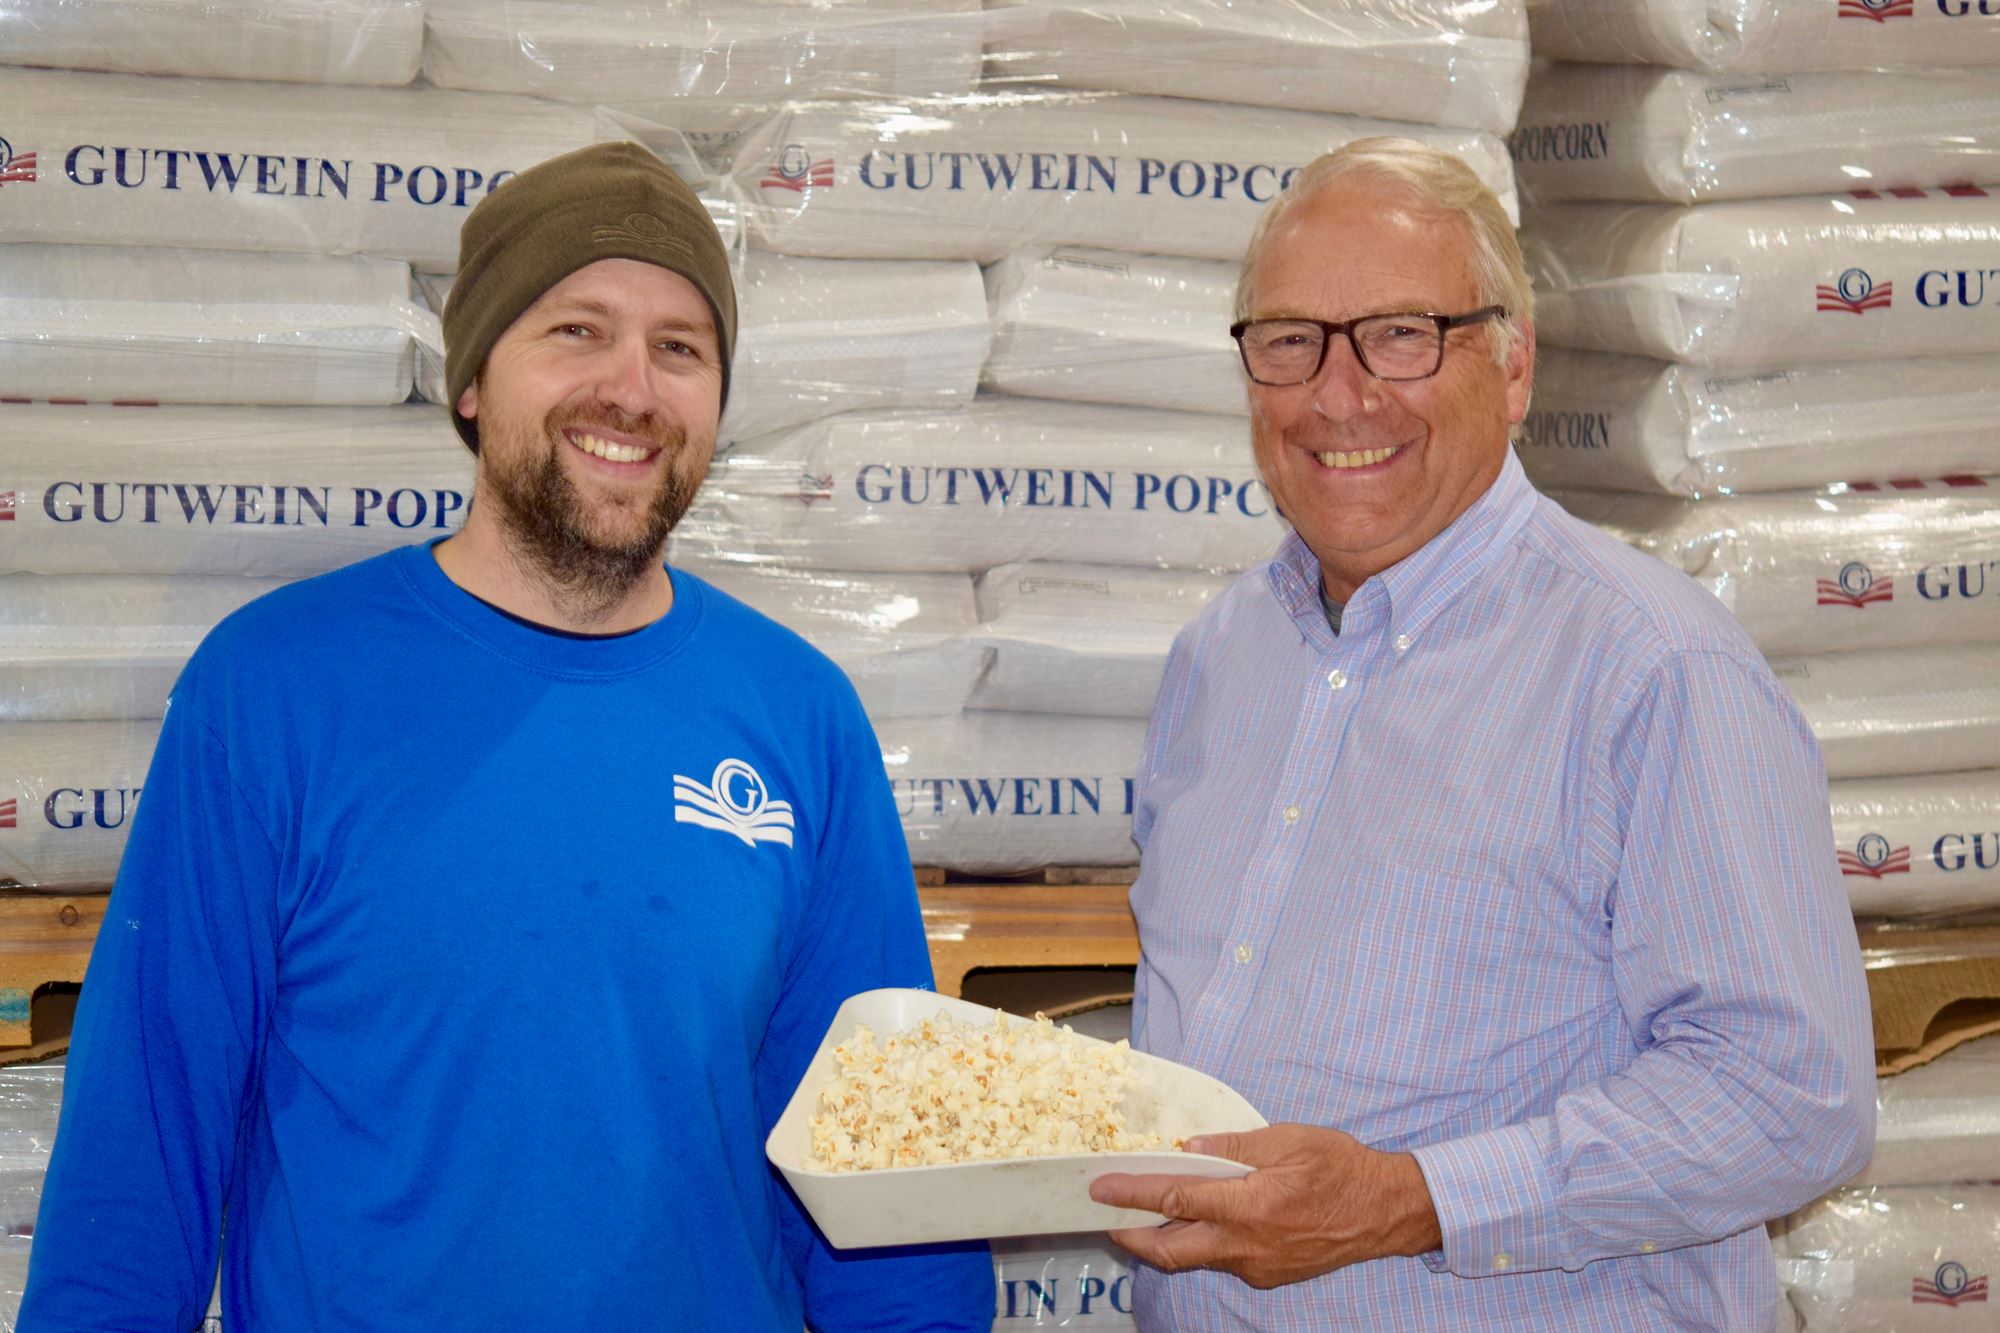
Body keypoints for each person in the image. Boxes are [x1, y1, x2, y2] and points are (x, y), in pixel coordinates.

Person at [21, 142, 995, 1332]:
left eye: (679, 347)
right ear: (475, 380)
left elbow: (887, 1185)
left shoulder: (800, 714)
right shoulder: (273, 690)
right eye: (577, 330)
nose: (632, 389)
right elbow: (140, 1154)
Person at [1088, 138, 1876, 1330]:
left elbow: (1788, 1098)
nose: (1337, 394)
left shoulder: (1653, 668)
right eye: (1289, 340)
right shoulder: (1218, 658)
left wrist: (1412, 1202)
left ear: (1512, 368)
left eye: (1400, 335)